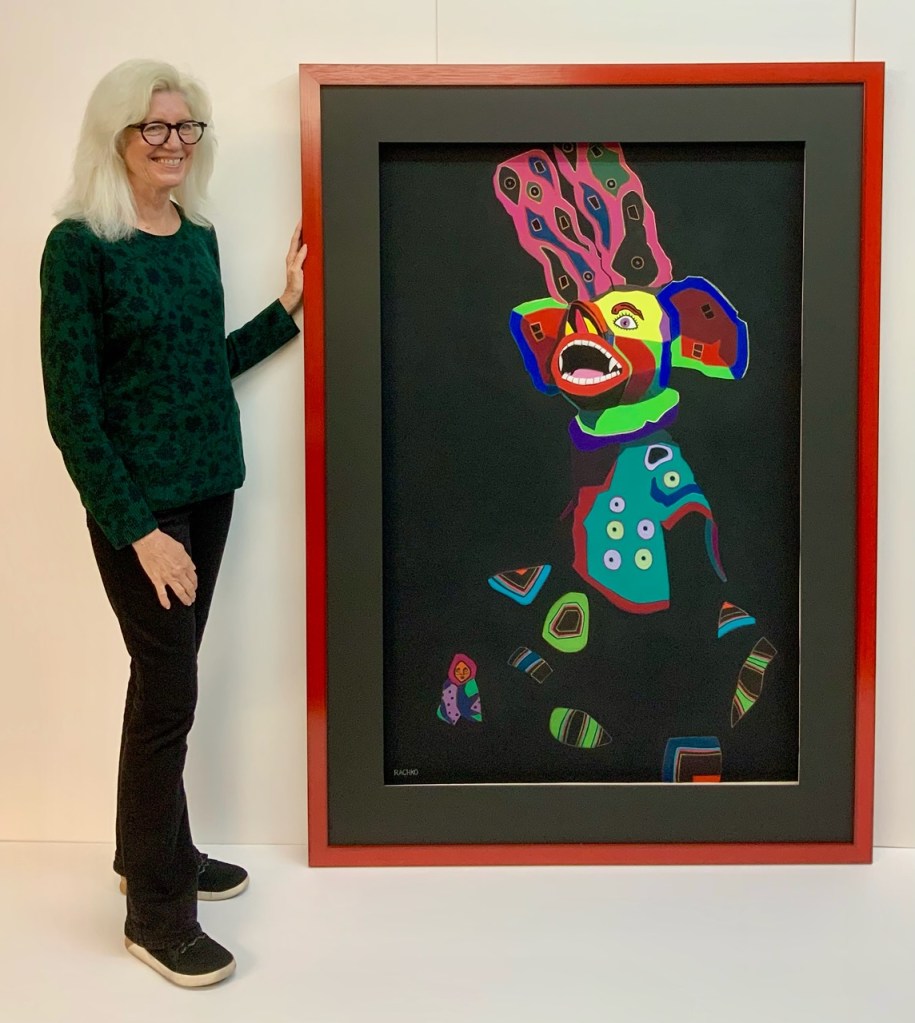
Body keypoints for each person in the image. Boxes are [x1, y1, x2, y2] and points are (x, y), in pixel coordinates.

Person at [39, 59, 307, 988]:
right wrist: (139, 531)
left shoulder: (195, 235)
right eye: (154, 127)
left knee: (162, 684)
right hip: (142, 511)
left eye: (186, 127)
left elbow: (198, 366)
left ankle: (151, 849)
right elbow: (74, 412)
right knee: (170, 693)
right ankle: (157, 914)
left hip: (211, 489)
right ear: (115, 137)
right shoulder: (79, 246)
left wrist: (283, 310)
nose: (173, 143)